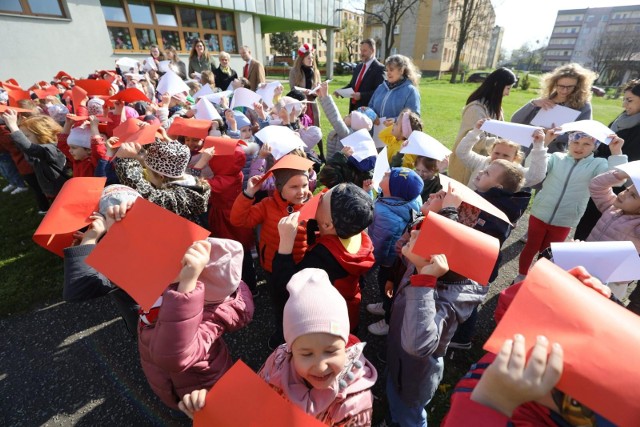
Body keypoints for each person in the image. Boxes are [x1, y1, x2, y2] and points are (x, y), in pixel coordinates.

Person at [179, 268, 377, 426]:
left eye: (331, 351)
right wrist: (212, 408)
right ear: (291, 350)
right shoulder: (279, 360)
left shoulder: (354, 403)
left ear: (345, 345)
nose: (321, 365)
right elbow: (253, 404)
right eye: (306, 354)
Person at [138, 238, 254, 411]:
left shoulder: (210, 317)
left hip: (199, 389)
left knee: (208, 414)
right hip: (170, 378)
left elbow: (172, 355)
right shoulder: (168, 290)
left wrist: (186, 289)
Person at [515, 130, 627, 282]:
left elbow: (617, 180)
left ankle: (537, 279)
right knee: (531, 246)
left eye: (586, 144)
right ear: (569, 143)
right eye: (575, 142)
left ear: (594, 147)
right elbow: (533, 171)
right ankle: (522, 275)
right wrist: (542, 144)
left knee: (548, 252)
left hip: (566, 218)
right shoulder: (556, 157)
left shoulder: (598, 164)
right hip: (540, 212)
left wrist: (616, 153)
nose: (579, 147)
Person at [273, 182, 376, 333]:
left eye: (322, 199)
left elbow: (287, 287)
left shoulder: (322, 258)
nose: (318, 197)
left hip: (326, 325)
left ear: (328, 225)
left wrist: (285, 245)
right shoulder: (358, 234)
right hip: (348, 313)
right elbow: (325, 230)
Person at [230, 162, 311, 348]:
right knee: (280, 303)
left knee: (300, 304)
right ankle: (282, 335)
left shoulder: (311, 206)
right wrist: (249, 193)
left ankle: (301, 334)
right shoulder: (267, 205)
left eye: (304, 185)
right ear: (280, 188)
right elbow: (238, 219)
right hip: (273, 266)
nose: (301, 192)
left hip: (302, 265)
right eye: (294, 187)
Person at [575, 79, 640, 240]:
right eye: (624, 99)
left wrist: (616, 158)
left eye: (629, 100)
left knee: (610, 232)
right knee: (588, 227)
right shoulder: (623, 118)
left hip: (624, 190)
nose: (624, 105)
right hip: (605, 178)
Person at [113, 139, 211, 224]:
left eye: (148, 171)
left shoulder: (180, 197)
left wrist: (125, 161)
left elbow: (149, 196)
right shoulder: (191, 182)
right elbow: (167, 154)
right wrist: (147, 138)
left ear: (161, 177)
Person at [447, 67, 517, 184]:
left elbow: (500, 132)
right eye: (507, 88)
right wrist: (501, 143)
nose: (508, 93)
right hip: (468, 163)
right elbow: (476, 140)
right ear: (496, 85)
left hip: (485, 163)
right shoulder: (476, 109)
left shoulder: (496, 108)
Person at [511, 63, 596, 154]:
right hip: (527, 150)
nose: (564, 91)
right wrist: (533, 104)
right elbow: (515, 121)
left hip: (554, 156)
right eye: (561, 86)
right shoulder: (544, 100)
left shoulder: (583, 106)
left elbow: (583, 136)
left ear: (578, 86)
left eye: (570, 87)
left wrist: (556, 135)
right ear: (555, 84)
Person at [455, 119, 547, 190]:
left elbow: (537, 176)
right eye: (497, 153)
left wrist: (538, 146)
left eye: (506, 155)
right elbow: (462, 152)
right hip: (470, 203)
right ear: (491, 152)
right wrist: (476, 131)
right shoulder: (482, 162)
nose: (499, 157)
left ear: (515, 157)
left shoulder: (516, 173)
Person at [2, 110, 67, 203]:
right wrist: (14, 125)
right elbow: (25, 147)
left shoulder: (52, 149)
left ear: (41, 134)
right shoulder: (39, 151)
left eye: (26, 136)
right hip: (51, 189)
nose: (24, 139)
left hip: (61, 190)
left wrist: (13, 126)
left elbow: (29, 148)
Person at [334, 38, 385, 112]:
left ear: (373, 51)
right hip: (353, 109)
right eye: (361, 50)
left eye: (364, 51)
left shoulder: (380, 69)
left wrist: (361, 96)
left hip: (368, 111)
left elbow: (380, 92)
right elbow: (352, 86)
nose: (361, 54)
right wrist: (340, 91)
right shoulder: (358, 67)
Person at [368, 54, 421, 119]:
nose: (388, 73)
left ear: (401, 70)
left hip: (396, 129)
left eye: (391, 70)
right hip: (376, 129)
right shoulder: (381, 87)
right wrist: (373, 116)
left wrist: (395, 120)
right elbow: (370, 106)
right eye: (387, 70)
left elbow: (414, 116)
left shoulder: (410, 91)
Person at [289, 43, 322, 126]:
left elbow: (319, 89)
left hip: (312, 104)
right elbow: (293, 89)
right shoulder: (294, 71)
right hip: (300, 103)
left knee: (314, 126)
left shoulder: (316, 72)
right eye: (308, 58)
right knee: (301, 127)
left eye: (312, 58)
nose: (311, 60)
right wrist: (304, 92)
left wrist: (316, 92)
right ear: (302, 59)